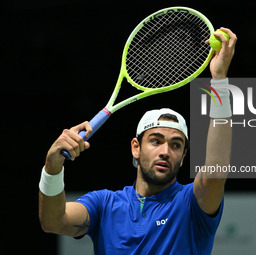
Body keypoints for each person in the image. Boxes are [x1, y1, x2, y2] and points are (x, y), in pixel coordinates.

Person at [39, 27, 237, 254]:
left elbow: (214, 171)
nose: (165, 151)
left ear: (183, 157)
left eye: (176, 145)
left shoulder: (191, 205)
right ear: (136, 147)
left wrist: (220, 81)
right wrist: (52, 167)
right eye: (156, 141)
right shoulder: (104, 205)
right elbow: (53, 222)